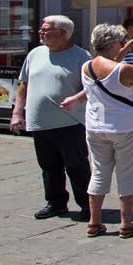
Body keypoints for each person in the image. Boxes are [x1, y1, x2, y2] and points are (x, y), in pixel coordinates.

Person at [59, 23, 133, 237]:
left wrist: (131, 44)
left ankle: (94, 222)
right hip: (125, 126)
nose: (123, 46)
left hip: (96, 126)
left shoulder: (87, 66)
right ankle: (126, 224)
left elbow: (110, 63)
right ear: (114, 43)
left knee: (99, 172)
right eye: (121, 43)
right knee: (126, 173)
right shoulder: (125, 70)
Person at [11, 15, 92, 221]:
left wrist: (76, 99)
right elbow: (24, 85)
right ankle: (56, 203)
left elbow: (92, 88)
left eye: (46, 30)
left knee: (77, 166)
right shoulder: (35, 54)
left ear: (62, 33)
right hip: (40, 122)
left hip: (70, 123)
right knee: (48, 166)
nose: (41, 32)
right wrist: (17, 113)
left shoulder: (81, 57)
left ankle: (88, 205)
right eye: (42, 29)